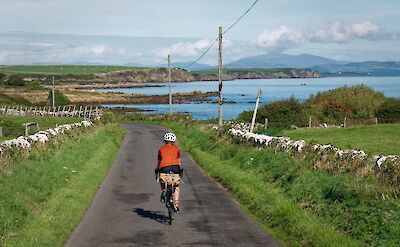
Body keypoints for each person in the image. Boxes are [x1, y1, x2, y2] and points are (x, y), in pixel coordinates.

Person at [155, 132, 183, 211]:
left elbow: (159, 161)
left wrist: (157, 169)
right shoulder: (177, 149)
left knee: (162, 179)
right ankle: (176, 205)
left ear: (165, 140)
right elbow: (179, 161)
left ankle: (163, 191)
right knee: (176, 186)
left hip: (164, 168)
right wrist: (181, 170)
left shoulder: (161, 149)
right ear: (173, 141)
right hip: (175, 168)